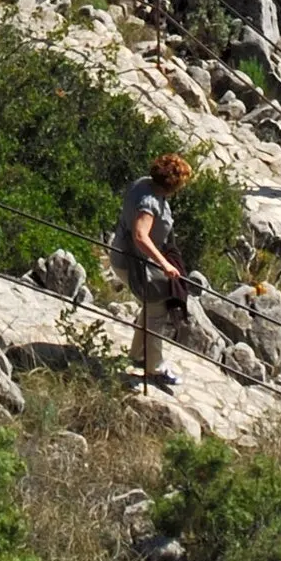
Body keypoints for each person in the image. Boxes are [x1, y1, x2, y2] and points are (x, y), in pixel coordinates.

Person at [115, 151, 194, 389]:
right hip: (133, 262)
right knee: (157, 309)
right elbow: (140, 235)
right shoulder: (150, 202)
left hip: (124, 255)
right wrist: (165, 264)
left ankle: (139, 354)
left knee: (151, 307)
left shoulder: (142, 183)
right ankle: (155, 368)